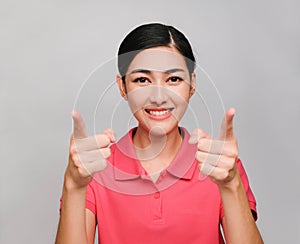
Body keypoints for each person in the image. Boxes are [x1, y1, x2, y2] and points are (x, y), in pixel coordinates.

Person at [55, 23, 263, 244]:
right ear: (122, 87)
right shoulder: (96, 167)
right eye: (142, 80)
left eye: (173, 79)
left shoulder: (221, 166)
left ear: (192, 84)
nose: (158, 97)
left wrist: (231, 184)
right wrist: (74, 186)